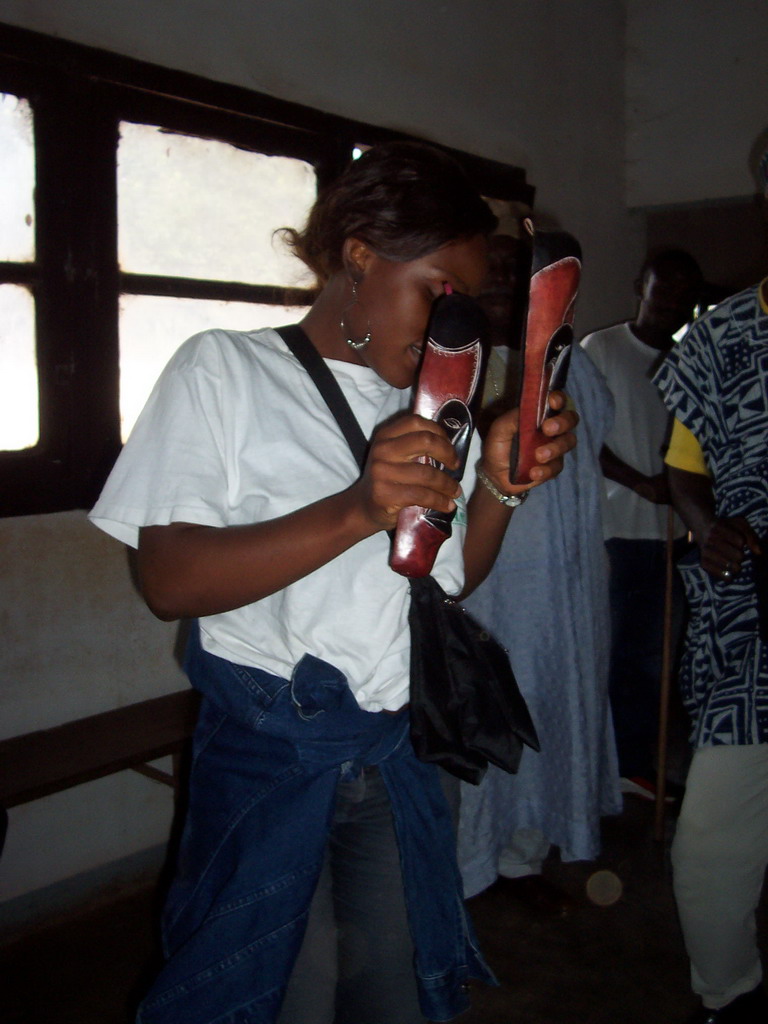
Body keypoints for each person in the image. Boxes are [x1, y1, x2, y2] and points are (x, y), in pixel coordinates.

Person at [88, 142, 578, 1024]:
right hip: (271, 759)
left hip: (395, 758)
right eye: (438, 291)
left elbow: (444, 582)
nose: (449, 328)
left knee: (392, 996)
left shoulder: (436, 403)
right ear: (360, 253)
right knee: (275, 997)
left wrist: (501, 480)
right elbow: (167, 578)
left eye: (467, 305)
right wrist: (358, 507)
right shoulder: (226, 371)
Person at [458, 228, 621, 906]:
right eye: (497, 277)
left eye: (527, 279)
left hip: (569, 587)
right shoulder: (461, 367)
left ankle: (525, 857)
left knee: (554, 709)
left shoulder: (576, 368)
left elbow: (593, 459)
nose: (506, 292)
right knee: (488, 716)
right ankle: (468, 868)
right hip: (488, 593)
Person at [653, 141, 768, 1023]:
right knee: (711, 847)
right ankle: (727, 991)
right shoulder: (722, 336)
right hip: (748, 628)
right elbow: (681, 466)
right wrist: (704, 524)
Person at [581, 249, 703, 797]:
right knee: (618, 654)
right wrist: (642, 483)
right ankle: (605, 768)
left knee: (657, 660)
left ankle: (635, 767)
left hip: (674, 534)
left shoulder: (688, 359)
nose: (671, 301)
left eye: (682, 294)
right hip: (619, 531)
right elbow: (581, 438)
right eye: (662, 289)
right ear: (640, 286)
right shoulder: (601, 349)